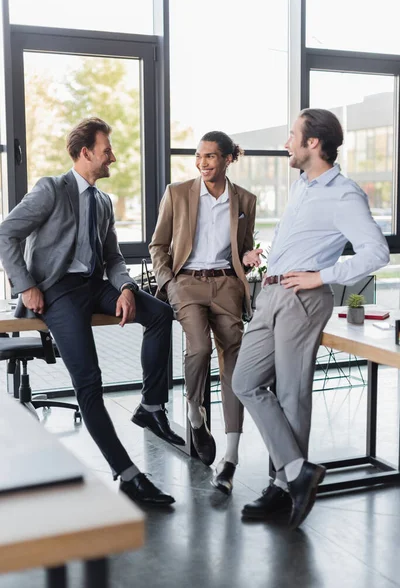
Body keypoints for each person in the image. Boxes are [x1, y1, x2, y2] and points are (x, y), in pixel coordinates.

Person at [0, 117, 184, 507]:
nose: (112, 158)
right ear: (85, 153)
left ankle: (151, 406)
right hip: (57, 291)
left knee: (160, 314)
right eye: (106, 151)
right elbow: (6, 233)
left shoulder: (103, 202)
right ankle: (129, 474)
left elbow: (114, 258)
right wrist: (27, 285)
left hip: (95, 286)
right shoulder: (52, 189)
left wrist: (128, 288)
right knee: (90, 381)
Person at [232, 108, 390, 528]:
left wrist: (322, 275)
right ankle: (298, 471)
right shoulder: (302, 186)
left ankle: (284, 487)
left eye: (292, 135)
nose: (287, 142)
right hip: (271, 293)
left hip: (303, 298)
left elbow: (376, 252)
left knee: (291, 394)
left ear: (313, 143)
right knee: (244, 381)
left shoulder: (344, 194)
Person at [149, 130, 261, 495]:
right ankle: (195, 414)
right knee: (198, 348)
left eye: (211, 156)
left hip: (227, 285)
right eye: (199, 156)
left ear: (229, 158)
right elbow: (158, 245)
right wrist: (169, 283)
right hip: (187, 284)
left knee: (234, 367)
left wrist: (247, 258)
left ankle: (229, 458)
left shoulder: (245, 200)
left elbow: (243, 249)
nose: (203, 163)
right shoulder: (178, 193)